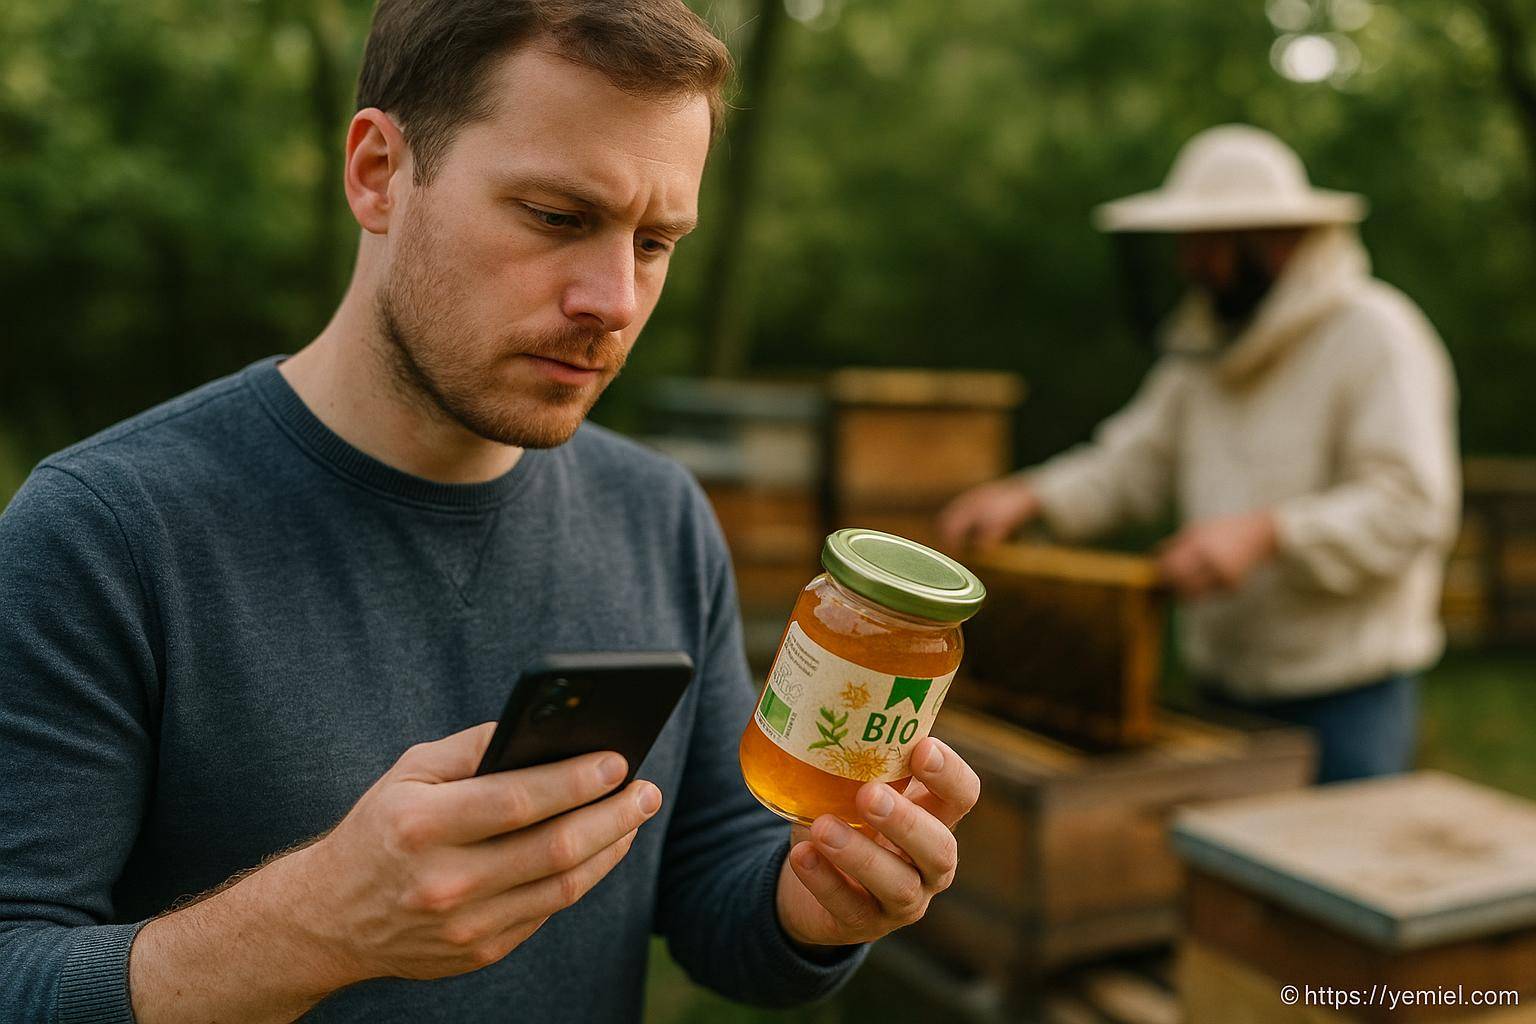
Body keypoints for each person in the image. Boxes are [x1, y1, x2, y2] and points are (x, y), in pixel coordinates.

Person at [0, 3, 980, 1021]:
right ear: (379, 171)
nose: (614, 298)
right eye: (557, 217)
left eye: (655, 241)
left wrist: (813, 905)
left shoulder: (661, 517)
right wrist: (315, 923)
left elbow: (714, 883)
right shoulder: (103, 534)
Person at [939, 124, 1460, 785]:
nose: (1192, 262)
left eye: (1211, 241)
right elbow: (1134, 461)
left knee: (1332, 881)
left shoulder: (1376, 335)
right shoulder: (1205, 348)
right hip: (1223, 688)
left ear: (1277, 238)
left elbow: (1413, 507)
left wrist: (1269, 534)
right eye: (1189, 242)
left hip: (1346, 700)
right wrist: (1033, 495)